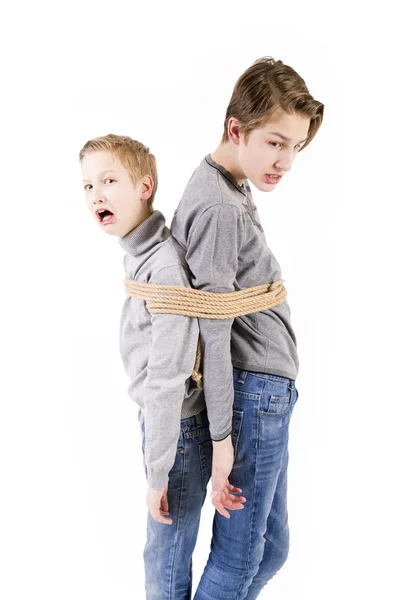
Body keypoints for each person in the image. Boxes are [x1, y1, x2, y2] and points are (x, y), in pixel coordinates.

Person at [169, 56, 324, 598]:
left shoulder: (229, 186)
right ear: (236, 128)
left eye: (296, 147)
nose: (285, 161)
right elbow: (213, 329)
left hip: (268, 389)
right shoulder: (219, 206)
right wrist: (222, 439)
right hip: (253, 396)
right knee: (238, 560)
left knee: (272, 548)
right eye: (275, 142)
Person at [79, 134, 245, 598]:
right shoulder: (142, 256)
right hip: (169, 429)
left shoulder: (163, 268)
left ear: (144, 186)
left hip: (178, 433)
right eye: (88, 185)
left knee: (165, 561)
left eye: (109, 180)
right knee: (165, 556)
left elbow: (168, 379)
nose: (96, 194)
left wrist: (157, 475)